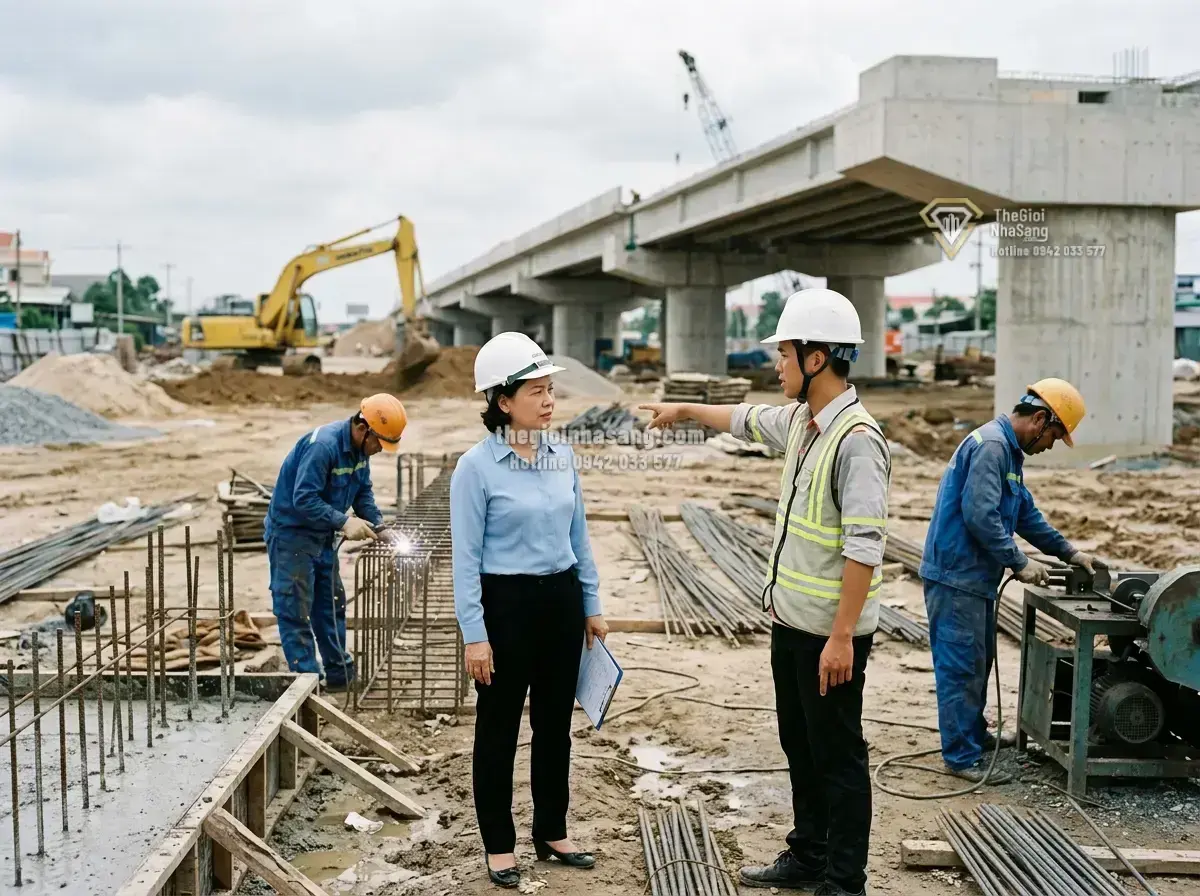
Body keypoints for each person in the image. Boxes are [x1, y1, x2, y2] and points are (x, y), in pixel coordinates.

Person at [640, 288, 889, 896]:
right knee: (799, 747)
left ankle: (844, 881)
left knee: (839, 758)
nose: (774, 365)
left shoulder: (857, 440)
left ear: (817, 358)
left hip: (830, 636)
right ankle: (808, 855)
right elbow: (745, 419)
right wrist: (686, 412)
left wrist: (840, 639)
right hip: (791, 624)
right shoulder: (806, 425)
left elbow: (864, 546)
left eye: (783, 354)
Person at [450, 332, 609, 890]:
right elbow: (465, 561)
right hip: (505, 608)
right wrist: (475, 635)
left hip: (560, 602)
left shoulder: (561, 455)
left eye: (550, 390)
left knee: (554, 727)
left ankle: (551, 831)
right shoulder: (475, 469)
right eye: (536, 390)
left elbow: (579, 537)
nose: (548, 400)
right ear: (502, 400)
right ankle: (499, 844)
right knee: (497, 729)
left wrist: (591, 605)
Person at [920, 378, 1103, 782]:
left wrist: (1070, 552)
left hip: (973, 576)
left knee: (978, 661)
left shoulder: (1008, 454)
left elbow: (1025, 516)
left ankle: (972, 734)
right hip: (956, 576)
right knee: (961, 665)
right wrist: (1019, 562)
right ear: (1039, 419)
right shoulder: (993, 447)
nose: (1050, 445)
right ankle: (960, 756)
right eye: (1053, 436)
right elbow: (980, 515)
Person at [263, 393, 406, 691]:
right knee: (296, 610)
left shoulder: (359, 453)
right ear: (363, 428)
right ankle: (307, 687)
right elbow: (303, 499)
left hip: (322, 537)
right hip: (292, 536)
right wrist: (343, 521)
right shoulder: (323, 447)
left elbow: (362, 493)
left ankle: (340, 675)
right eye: (379, 442)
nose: (380, 449)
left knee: (330, 605)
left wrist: (380, 528)